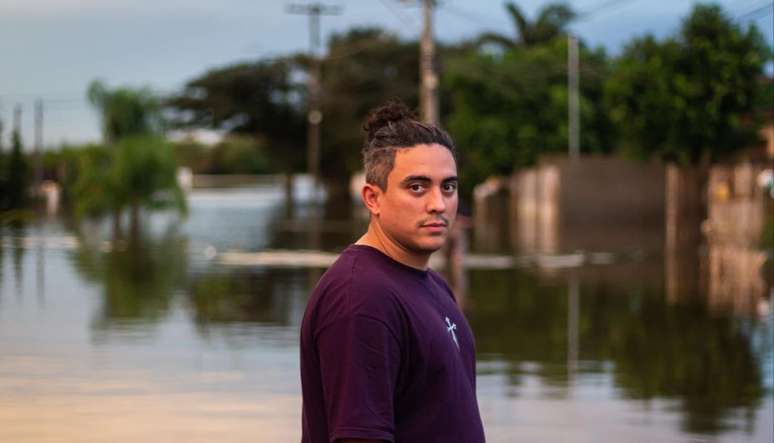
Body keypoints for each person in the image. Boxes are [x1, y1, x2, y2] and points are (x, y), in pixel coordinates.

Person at [300, 100, 486, 443]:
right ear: (373, 198)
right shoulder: (361, 298)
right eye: (417, 187)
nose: (438, 204)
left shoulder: (432, 284)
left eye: (448, 186)